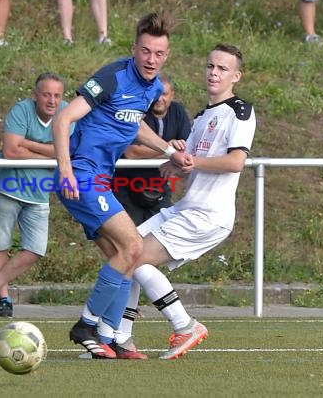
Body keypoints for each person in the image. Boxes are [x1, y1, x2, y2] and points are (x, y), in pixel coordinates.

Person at [52, 12, 191, 359]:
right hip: (82, 175)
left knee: (122, 257)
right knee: (133, 247)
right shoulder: (113, 76)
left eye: (159, 54)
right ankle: (87, 324)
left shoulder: (154, 88)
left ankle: (111, 338)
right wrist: (66, 170)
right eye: (146, 51)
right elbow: (64, 117)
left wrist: (167, 148)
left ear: (166, 56)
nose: (151, 59)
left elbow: (135, 126)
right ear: (135, 49)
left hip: (100, 179)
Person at [106, 43, 257, 360]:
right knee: (126, 252)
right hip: (187, 208)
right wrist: (176, 162)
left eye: (222, 69)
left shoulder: (240, 111)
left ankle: (185, 325)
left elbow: (235, 163)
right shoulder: (202, 116)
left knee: (135, 258)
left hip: (209, 215)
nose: (214, 73)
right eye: (210, 66)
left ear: (236, 76)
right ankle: (122, 341)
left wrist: (191, 163)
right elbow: (194, 161)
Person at [0, 72, 70, 318]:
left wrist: (29, 144)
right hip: (7, 188)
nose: (52, 100)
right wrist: (51, 152)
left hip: (39, 194)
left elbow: (67, 151)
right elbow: (11, 151)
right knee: (0, 244)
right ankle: (4, 298)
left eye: (57, 95)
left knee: (36, 248)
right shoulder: (21, 110)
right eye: (46, 94)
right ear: (35, 95)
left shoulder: (67, 113)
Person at [113, 74, 191, 226]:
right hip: (126, 185)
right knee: (130, 241)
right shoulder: (137, 109)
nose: (159, 98)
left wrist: (170, 151)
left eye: (164, 94)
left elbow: (186, 150)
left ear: (172, 95)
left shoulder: (178, 111)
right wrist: (169, 149)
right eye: (156, 93)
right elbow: (131, 152)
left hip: (160, 185)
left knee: (160, 237)